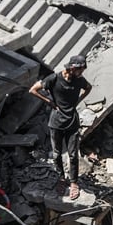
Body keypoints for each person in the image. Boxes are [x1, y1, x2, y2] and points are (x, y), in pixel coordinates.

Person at [29, 55, 92, 200]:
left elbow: (88, 88)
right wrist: (49, 102)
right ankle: (61, 179)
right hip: (56, 122)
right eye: (80, 69)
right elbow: (33, 90)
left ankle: (74, 183)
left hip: (72, 122)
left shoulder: (79, 80)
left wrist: (79, 100)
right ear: (72, 68)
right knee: (57, 154)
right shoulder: (54, 79)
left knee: (73, 154)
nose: (82, 72)